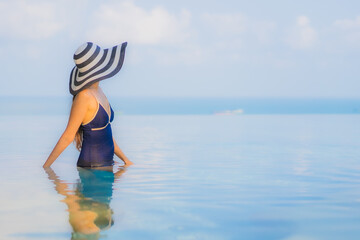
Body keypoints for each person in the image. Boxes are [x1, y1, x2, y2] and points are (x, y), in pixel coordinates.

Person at [43, 42, 133, 168]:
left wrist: (126, 160)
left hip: (106, 165)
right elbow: (68, 136)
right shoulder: (84, 97)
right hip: (91, 168)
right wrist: (46, 168)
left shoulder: (99, 91)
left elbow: (106, 133)